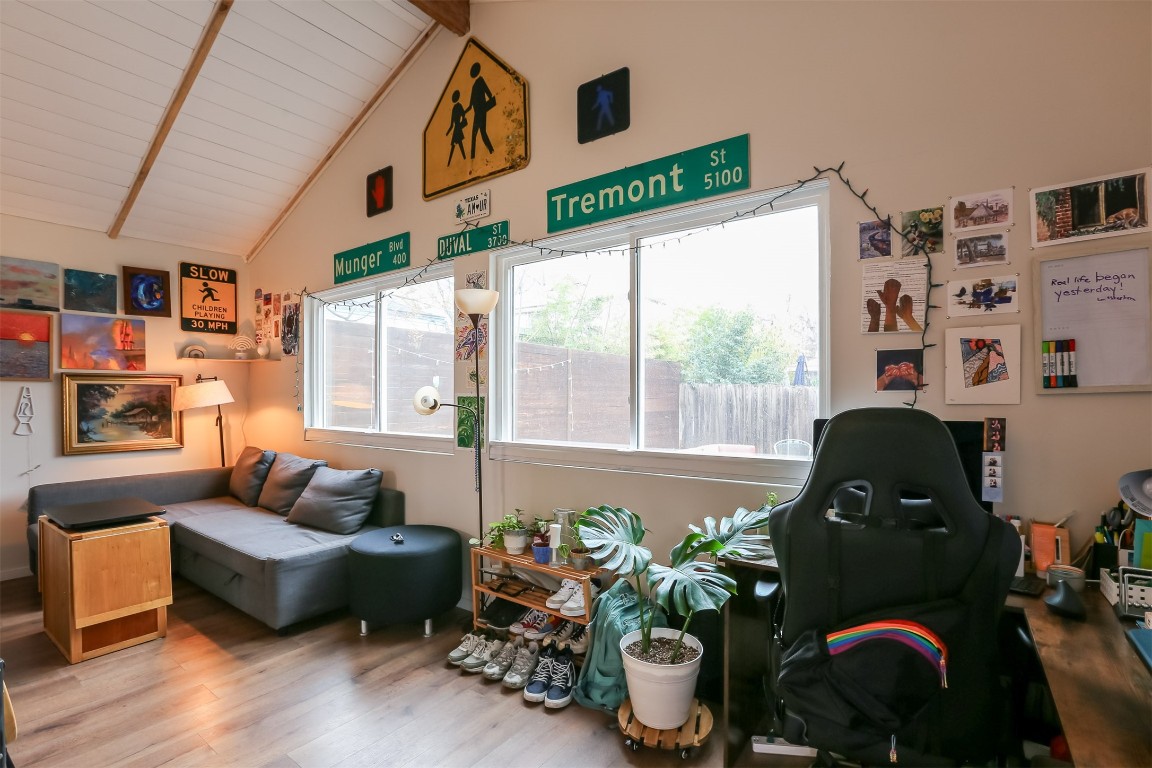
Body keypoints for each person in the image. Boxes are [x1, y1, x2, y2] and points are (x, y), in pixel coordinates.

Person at [468, 62, 496, 158]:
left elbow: (488, 91)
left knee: (477, 134)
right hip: (478, 112)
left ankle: (475, 155)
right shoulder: (474, 86)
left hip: (481, 111)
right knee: (481, 133)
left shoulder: (480, 80)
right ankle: (491, 150)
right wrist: (464, 112)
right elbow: (470, 104)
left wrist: (491, 100)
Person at [445, 89, 468, 165]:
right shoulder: (455, 108)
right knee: (455, 145)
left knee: (457, 145)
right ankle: (449, 162)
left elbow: (463, 115)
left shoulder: (458, 107)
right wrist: (447, 133)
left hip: (457, 128)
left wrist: (462, 121)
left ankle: (464, 158)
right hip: (456, 129)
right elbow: (452, 124)